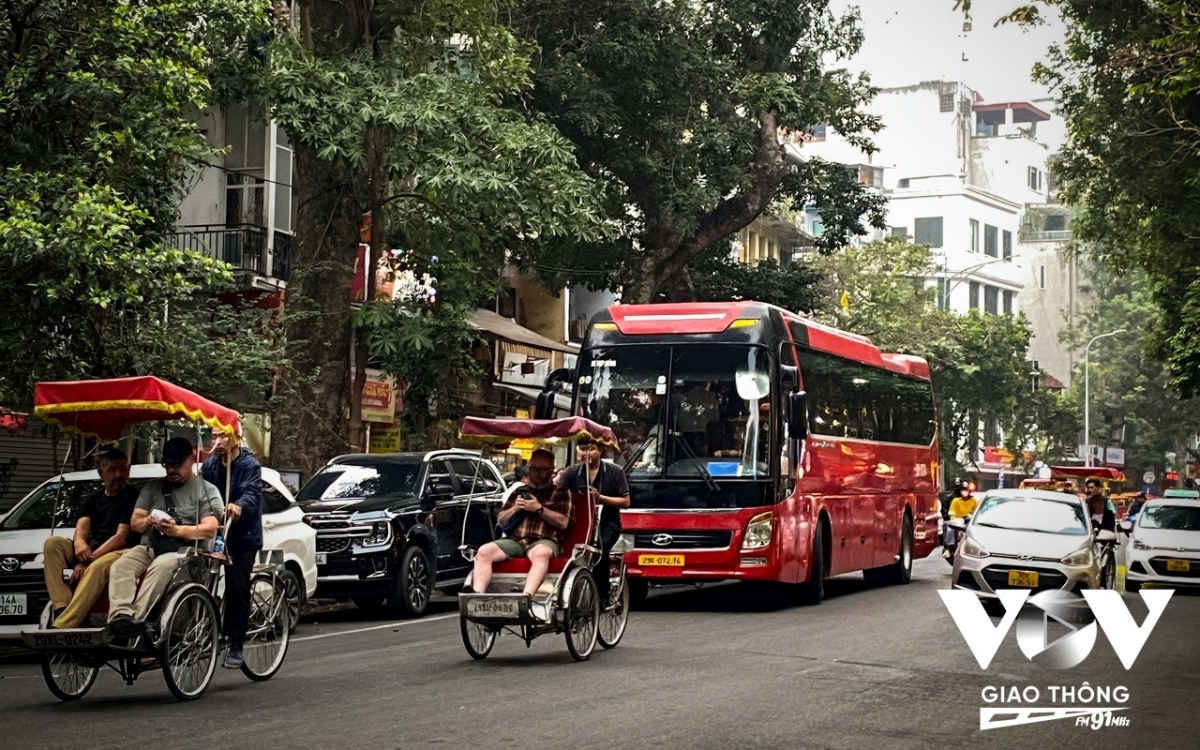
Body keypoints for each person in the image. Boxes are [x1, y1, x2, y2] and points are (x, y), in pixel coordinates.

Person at [107, 437, 222, 638]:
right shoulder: (153, 488)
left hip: (186, 552)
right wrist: (150, 520)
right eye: (168, 465)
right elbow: (135, 522)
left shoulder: (206, 490)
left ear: (191, 460)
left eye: (177, 465)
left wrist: (175, 530)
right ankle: (121, 616)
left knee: (160, 566)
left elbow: (209, 529)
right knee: (120, 565)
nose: (171, 470)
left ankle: (136, 620)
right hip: (151, 545)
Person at [468, 449, 572, 621]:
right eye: (533, 468)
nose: (537, 473)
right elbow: (501, 520)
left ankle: (526, 599)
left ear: (551, 470)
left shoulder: (561, 492)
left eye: (542, 469)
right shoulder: (519, 491)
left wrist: (539, 509)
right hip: (516, 540)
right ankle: (478, 600)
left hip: (544, 539)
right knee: (483, 551)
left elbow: (563, 522)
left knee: (540, 553)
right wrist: (516, 508)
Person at [41, 449, 140, 629]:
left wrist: (87, 561)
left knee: (95, 568)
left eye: (123, 469)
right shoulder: (93, 498)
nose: (119, 474)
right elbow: (81, 530)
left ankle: (63, 625)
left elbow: (121, 536)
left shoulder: (132, 496)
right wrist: (80, 544)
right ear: (101, 472)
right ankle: (62, 606)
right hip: (93, 549)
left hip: (120, 551)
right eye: (112, 469)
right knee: (52, 544)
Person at [201, 428, 262, 669]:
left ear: (235, 436)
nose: (218, 441)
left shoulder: (249, 464)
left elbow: (252, 493)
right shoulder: (210, 466)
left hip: (242, 535)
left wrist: (238, 506)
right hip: (215, 532)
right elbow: (201, 490)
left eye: (223, 436)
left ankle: (236, 643)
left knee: (238, 586)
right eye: (214, 436)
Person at [557, 436, 630, 608]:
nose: (586, 453)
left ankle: (602, 596)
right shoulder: (572, 473)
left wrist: (601, 498)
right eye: (582, 449)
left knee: (600, 549)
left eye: (591, 449)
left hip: (607, 524)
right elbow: (559, 496)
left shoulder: (615, 471)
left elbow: (626, 502)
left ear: (600, 451)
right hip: (579, 523)